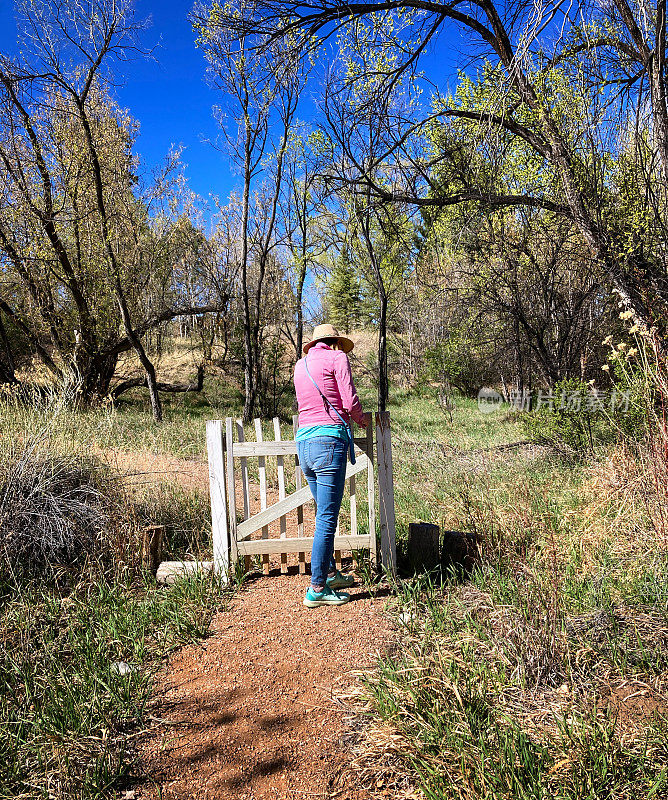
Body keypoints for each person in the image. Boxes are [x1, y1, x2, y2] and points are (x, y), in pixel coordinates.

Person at [294, 324, 369, 608]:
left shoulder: (301, 365)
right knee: (327, 519)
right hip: (329, 442)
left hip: (304, 445)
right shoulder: (338, 358)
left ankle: (328, 574)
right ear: (335, 342)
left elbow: (305, 404)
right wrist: (362, 420)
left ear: (315, 343)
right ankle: (316, 589)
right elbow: (349, 400)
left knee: (322, 513)